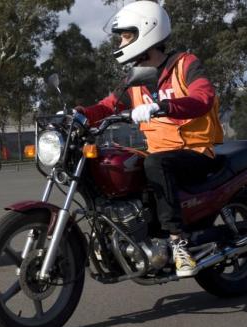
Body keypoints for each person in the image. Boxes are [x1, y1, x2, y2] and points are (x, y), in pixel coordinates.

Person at [75, 1, 223, 277]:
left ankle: (179, 244)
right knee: (120, 167)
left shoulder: (185, 64)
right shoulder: (135, 77)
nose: (121, 41)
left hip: (196, 151)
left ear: (147, 31)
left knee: (155, 164)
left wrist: (163, 106)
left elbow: (203, 97)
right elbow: (108, 106)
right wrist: (79, 114)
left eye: (126, 35)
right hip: (159, 152)